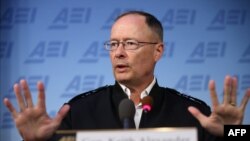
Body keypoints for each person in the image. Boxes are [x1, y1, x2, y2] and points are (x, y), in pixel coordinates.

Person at [3, 10, 250, 141]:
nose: (118, 53)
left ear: (158, 51)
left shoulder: (193, 112)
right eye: (113, 44)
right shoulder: (78, 111)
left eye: (130, 43)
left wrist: (233, 132)